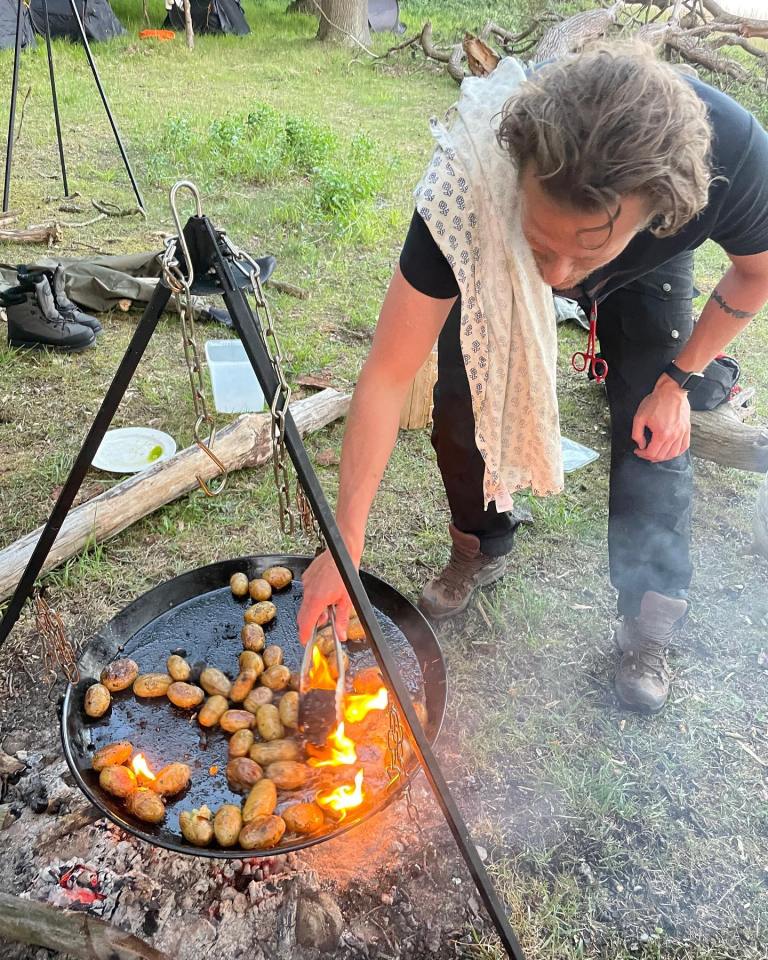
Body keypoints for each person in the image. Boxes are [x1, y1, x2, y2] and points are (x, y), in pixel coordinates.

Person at [297, 44, 768, 714]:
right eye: (544, 244)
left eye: (586, 248)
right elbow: (387, 373)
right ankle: (479, 544)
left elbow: (757, 271)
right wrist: (344, 539)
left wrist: (678, 381)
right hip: (494, 245)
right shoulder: (470, 181)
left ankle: (649, 621)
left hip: (648, 268)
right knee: (461, 401)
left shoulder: (732, 160)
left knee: (653, 427)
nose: (558, 278)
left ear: (662, 206)